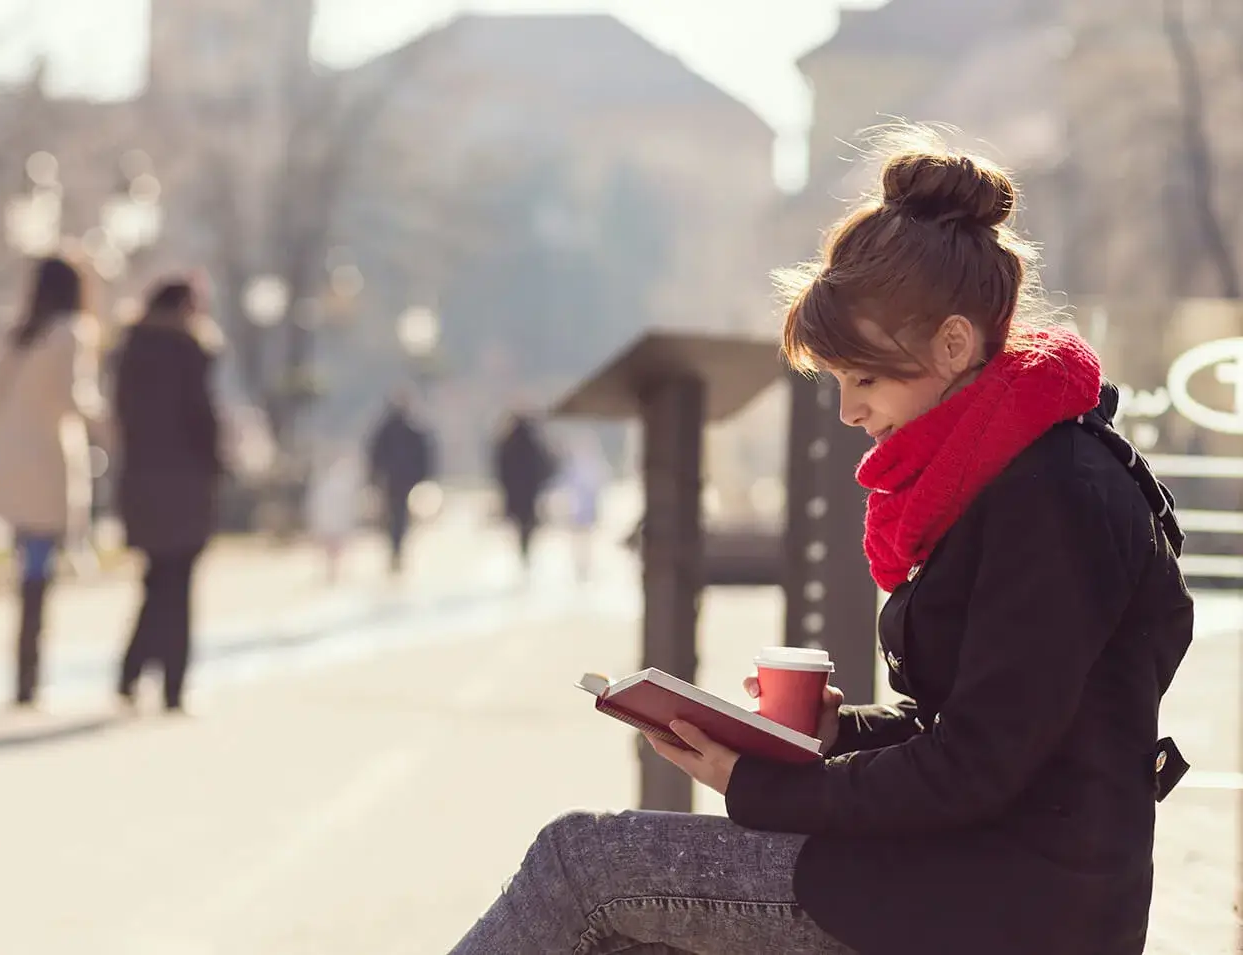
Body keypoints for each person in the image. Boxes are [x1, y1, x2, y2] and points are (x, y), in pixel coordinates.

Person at [449, 132, 1194, 955]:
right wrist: (837, 736)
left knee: (581, 863)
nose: (847, 412)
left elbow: (977, 767)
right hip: (965, 874)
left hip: (1004, 905)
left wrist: (760, 786)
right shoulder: (1005, 471)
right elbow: (986, 729)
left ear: (953, 345)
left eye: (866, 379)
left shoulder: (1056, 495)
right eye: (837, 381)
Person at [0, 254, 105, 708]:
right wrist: (113, 426)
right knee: (40, 571)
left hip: (13, 460)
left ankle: (24, 670)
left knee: (28, 566)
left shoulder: (20, 336)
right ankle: (29, 672)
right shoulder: (73, 333)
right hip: (49, 459)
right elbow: (79, 397)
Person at [110, 275, 223, 714]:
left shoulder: (129, 352)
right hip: (184, 483)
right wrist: (216, 466)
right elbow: (202, 419)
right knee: (177, 587)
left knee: (157, 581)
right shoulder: (188, 351)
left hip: (140, 480)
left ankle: (131, 671)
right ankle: (172, 684)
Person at [365, 391, 436, 576]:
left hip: (395, 480)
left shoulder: (387, 430)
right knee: (398, 516)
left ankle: (396, 548)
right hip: (401, 480)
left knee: (395, 516)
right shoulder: (401, 430)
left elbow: (374, 455)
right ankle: (396, 547)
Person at [492, 409, 557, 571]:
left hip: (516, 494)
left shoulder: (508, 442)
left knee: (520, 527)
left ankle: (524, 556)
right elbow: (546, 466)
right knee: (526, 527)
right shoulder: (533, 443)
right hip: (530, 495)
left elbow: (500, 468)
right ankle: (525, 556)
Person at [304, 444, 365, 585]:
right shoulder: (328, 486)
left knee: (334, 547)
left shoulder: (336, 485)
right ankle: (332, 570)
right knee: (332, 546)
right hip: (331, 522)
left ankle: (333, 570)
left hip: (333, 522)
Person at [557, 432, 611, 581]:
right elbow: (566, 484)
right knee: (578, 538)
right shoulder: (574, 466)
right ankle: (580, 565)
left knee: (586, 538)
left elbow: (600, 484)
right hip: (576, 507)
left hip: (587, 507)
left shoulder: (593, 465)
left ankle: (585, 565)